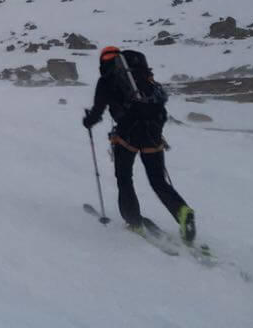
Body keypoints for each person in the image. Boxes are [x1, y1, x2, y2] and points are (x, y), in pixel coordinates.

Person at [83, 45, 196, 241]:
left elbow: (97, 112)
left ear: (103, 62)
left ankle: (134, 222)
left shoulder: (106, 81)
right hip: (153, 132)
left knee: (124, 178)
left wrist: (88, 121)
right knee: (158, 180)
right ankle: (182, 211)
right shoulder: (142, 75)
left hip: (127, 135)